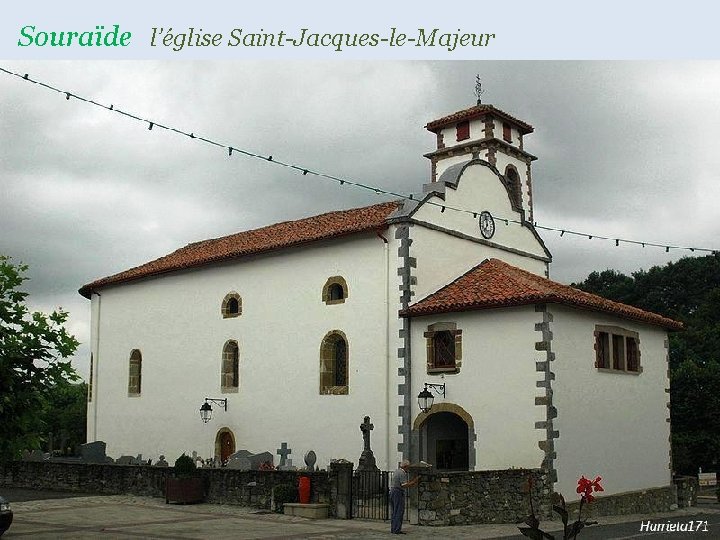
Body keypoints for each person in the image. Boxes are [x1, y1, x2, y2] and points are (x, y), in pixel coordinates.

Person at [390, 460, 418, 534]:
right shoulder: (402, 473)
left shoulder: (396, 471)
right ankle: (397, 529)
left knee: (394, 511)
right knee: (399, 511)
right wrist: (414, 481)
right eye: (408, 467)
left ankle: (394, 528)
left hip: (393, 491)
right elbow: (404, 485)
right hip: (398, 492)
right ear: (405, 466)